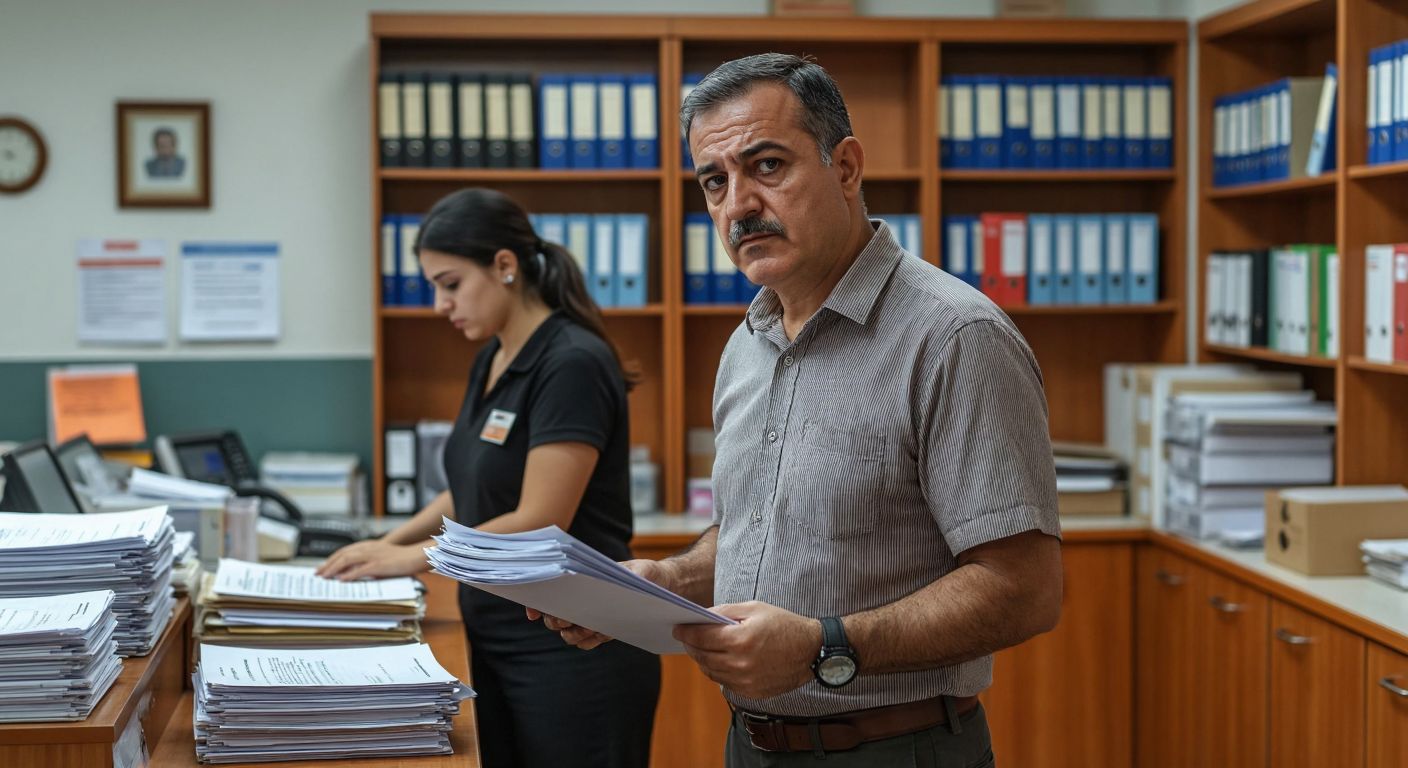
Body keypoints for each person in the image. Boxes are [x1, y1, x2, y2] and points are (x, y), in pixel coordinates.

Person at [539, 54, 1064, 766]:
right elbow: (770, 527)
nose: (738, 205)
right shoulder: (747, 344)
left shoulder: (953, 337)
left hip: (895, 748)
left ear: (845, 167)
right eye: (715, 181)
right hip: (751, 745)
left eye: (767, 166)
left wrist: (826, 647)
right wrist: (667, 582)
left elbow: (1025, 590)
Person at [317, 187, 660, 768]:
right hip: (498, 638)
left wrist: (412, 559)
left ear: (504, 266)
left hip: (572, 649)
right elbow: (472, 486)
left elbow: (536, 519)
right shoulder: (494, 357)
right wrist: (388, 541)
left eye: (450, 283)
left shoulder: (571, 361)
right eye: (433, 287)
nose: (439, 304)